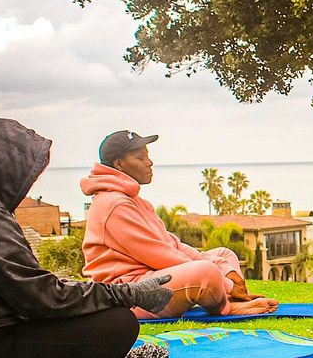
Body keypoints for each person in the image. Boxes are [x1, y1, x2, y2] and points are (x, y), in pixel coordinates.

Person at [0, 119, 175, 358]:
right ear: (4, 168)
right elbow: (43, 298)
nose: (28, 184)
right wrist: (130, 294)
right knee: (118, 323)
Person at [80, 130, 278, 319]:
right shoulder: (115, 204)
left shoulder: (134, 201)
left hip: (151, 279)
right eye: (140, 158)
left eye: (147, 156)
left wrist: (226, 271)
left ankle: (233, 299)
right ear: (119, 164)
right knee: (205, 272)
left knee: (224, 256)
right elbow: (161, 256)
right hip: (129, 295)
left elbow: (173, 245)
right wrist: (225, 282)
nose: (149, 163)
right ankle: (227, 307)